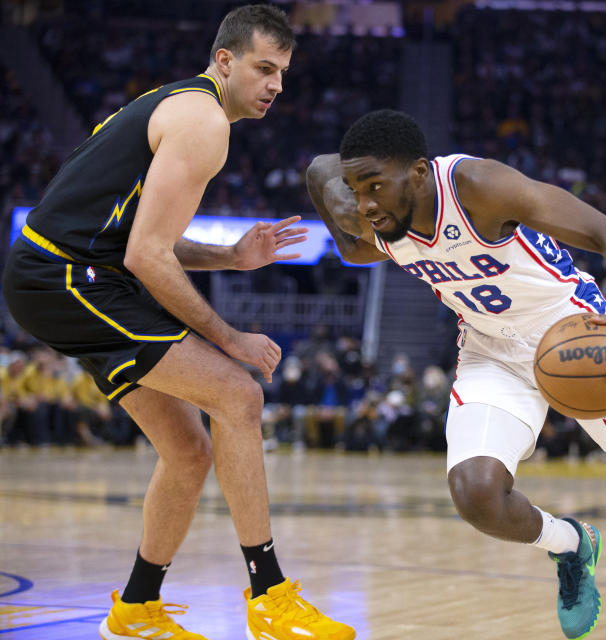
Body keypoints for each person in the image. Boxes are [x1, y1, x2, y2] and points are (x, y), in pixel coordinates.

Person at [305, 109, 606, 640]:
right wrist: (338, 195)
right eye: (357, 189)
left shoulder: (478, 187)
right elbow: (323, 180)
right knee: (476, 494)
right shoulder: (379, 218)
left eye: (375, 185)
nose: (366, 203)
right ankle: (571, 545)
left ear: (421, 174)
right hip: (491, 352)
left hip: (577, 338)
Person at [1, 6, 354, 640]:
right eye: (264, 68)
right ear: (224, 61)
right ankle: (269, 595)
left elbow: (135, 237)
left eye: (283, 74)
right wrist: (231, 339)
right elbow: (146, 255)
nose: (276, 85)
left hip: (75, 274)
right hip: (66, 278)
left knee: (188, 451)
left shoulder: (181, 105)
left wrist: (230, 258)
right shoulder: (203, 122)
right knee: (239, 394)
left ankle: (135, 609)